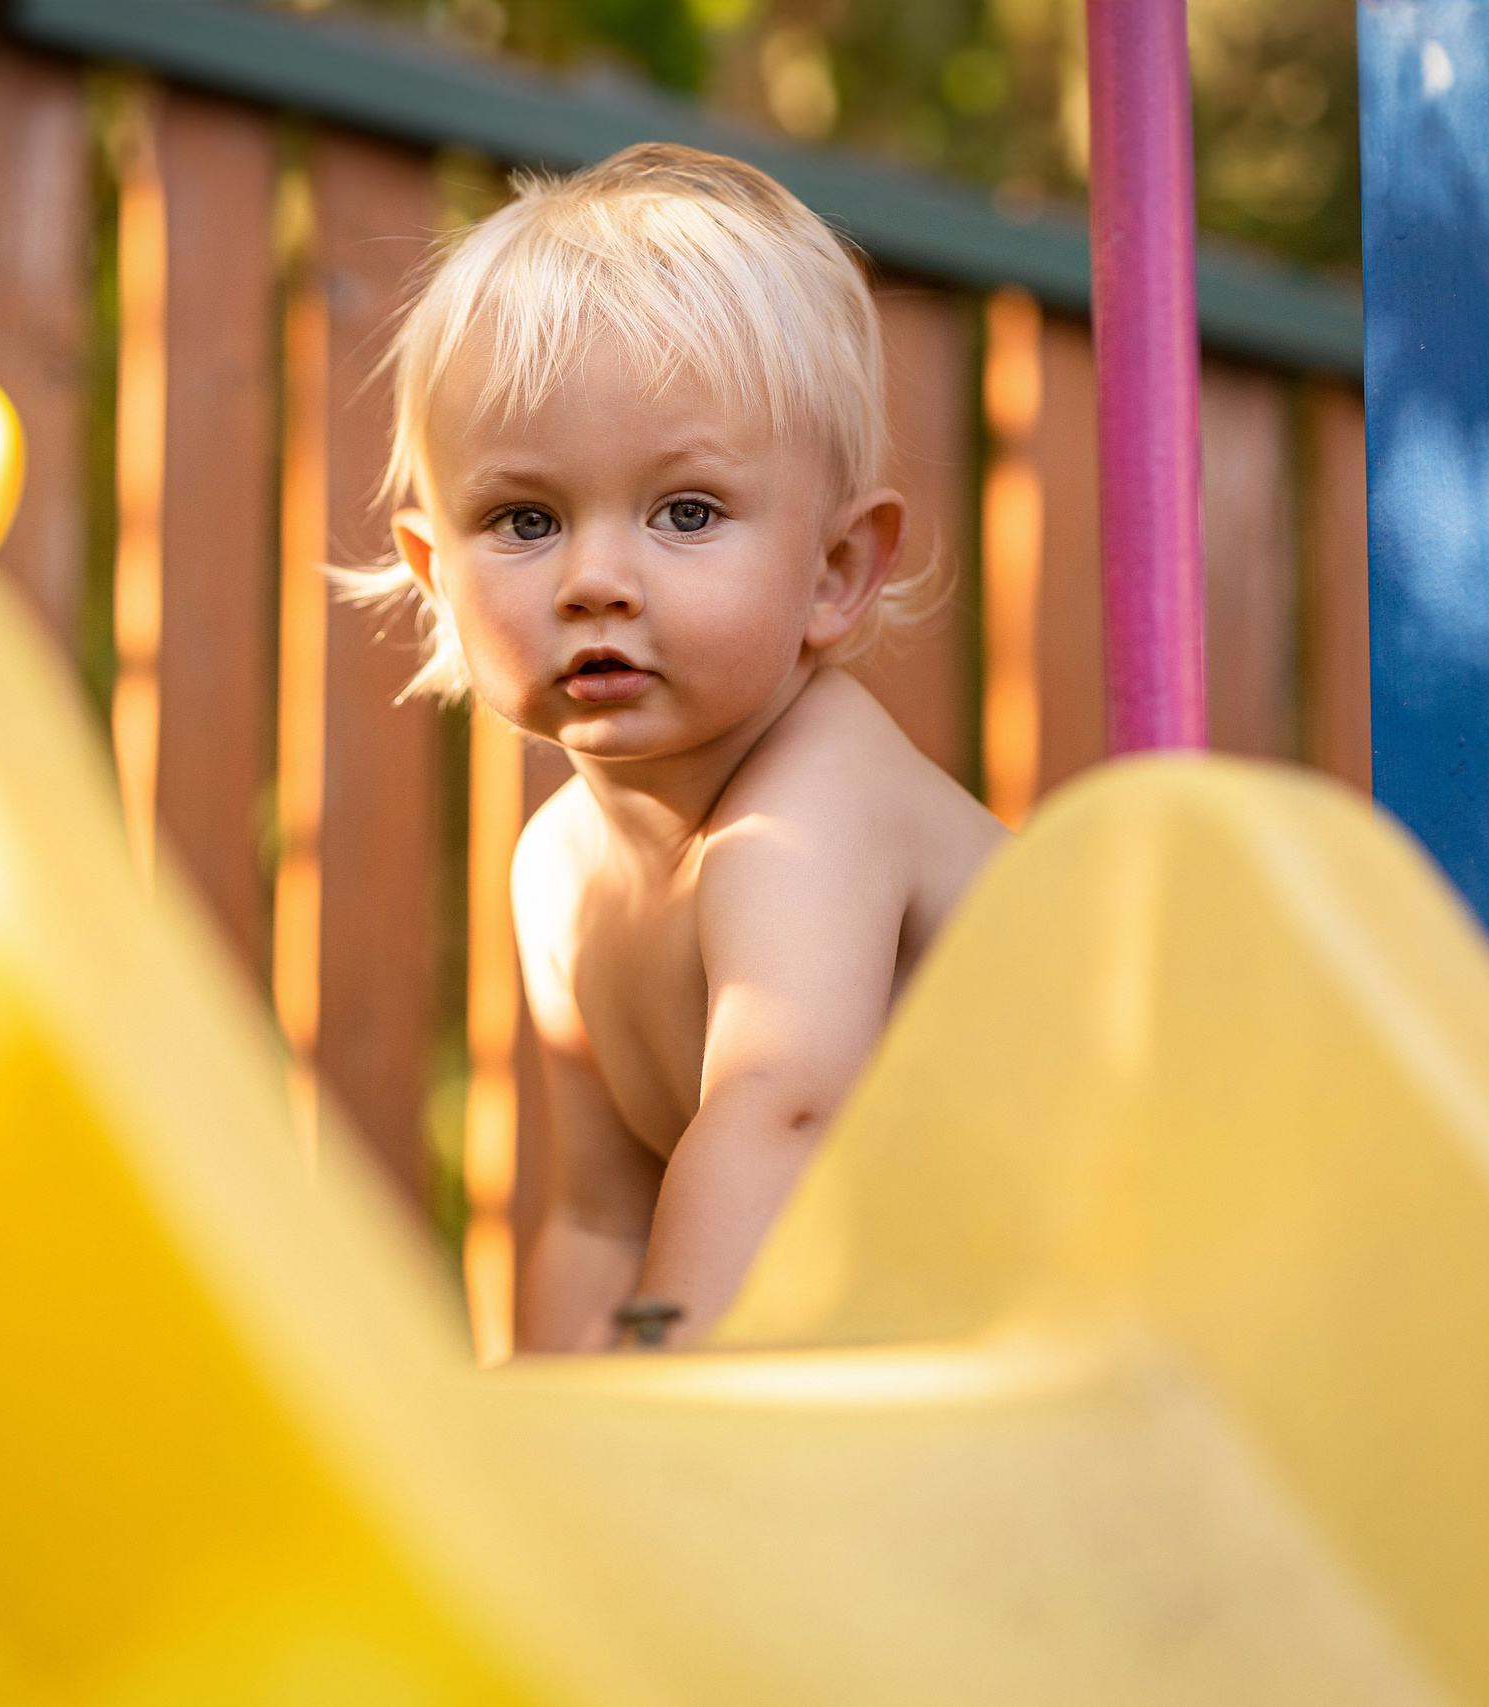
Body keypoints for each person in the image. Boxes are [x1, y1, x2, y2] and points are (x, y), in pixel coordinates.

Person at [344, 143, 1008, 1352]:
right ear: (436, 578)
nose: (596, 580)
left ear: (835, 570)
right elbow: (602, 1223)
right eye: (525, 520)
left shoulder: (811, 801)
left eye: (685, 512)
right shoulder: (558, 873)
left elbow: (778, 1114)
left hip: (1142, 1280)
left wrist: (661, 1420)